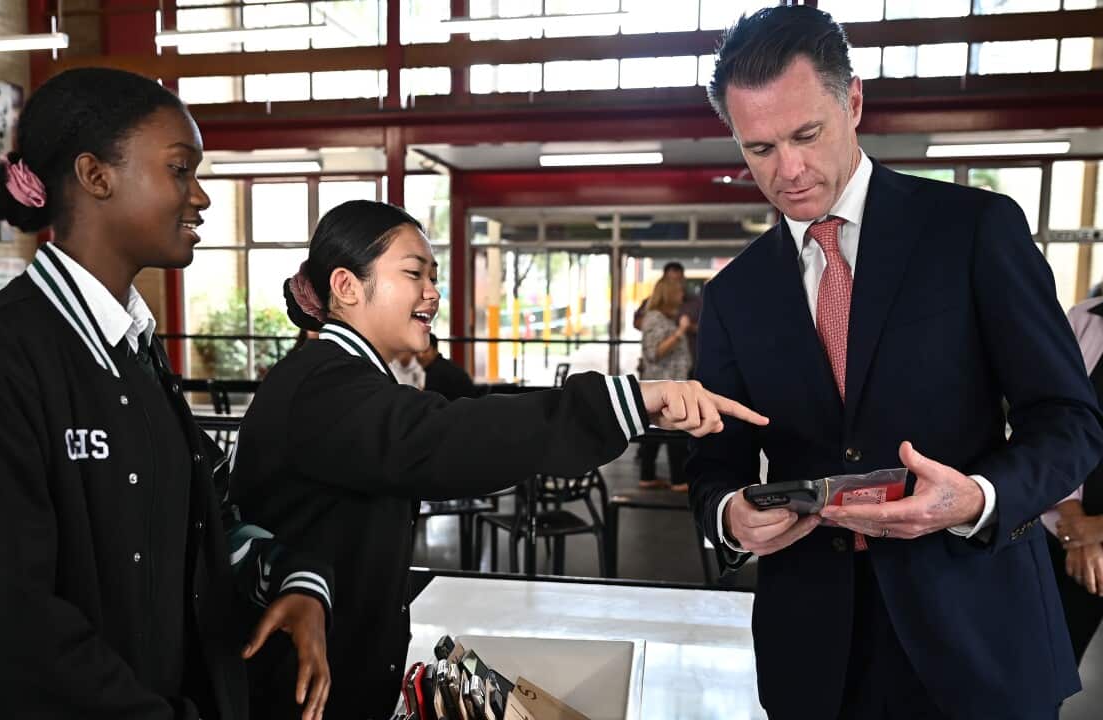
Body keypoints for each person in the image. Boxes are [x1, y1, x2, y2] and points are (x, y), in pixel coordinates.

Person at [687, 7, 1103, 720]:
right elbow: (715, 466)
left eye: (806, 135)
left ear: (852, 101)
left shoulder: (974, 230)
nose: (787, 170)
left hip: (978, 632)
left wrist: (978, 497)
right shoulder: (731, 295)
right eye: (758, 148)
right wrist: (730, 517)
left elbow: (1070, 421)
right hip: (814, 654)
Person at [228, 199, 767, 719]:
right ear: (346, 286)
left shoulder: (343, 378)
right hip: (300, 693)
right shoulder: (325, 386)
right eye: (414, 274)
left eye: (434, 276)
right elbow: (450, 437)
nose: (433, 293)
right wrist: (631, 401)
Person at [0, 67, 332, 720]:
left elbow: (200, 520)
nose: (201, 198)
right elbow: (2, 628)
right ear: (95, 175)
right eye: (179, 169)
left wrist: (297, 581)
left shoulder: (131, 348)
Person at [1044, 295, 1103, 663]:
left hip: (1086, 534)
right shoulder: (1086, 317)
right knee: (1043, 670)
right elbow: (1055, 422)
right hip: (1067, 538)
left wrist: (1097, 529)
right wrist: (1075, 524)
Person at [637, 278, 693, 490]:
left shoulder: (663, 318)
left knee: (657, 430)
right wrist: (680, 332)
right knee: (671, 430)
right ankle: (678, 479)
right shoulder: (655, 319)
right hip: (662, 385)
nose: (682, 296)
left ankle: (649, 476)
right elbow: (654, 353)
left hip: (669, 383)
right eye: (678, 291)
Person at [418, 333, 477, 400]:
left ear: (435, 350)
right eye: (417, 351)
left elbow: (429, 404)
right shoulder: (442, 365)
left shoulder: (437, 372)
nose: (420, 356)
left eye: (425, 351)